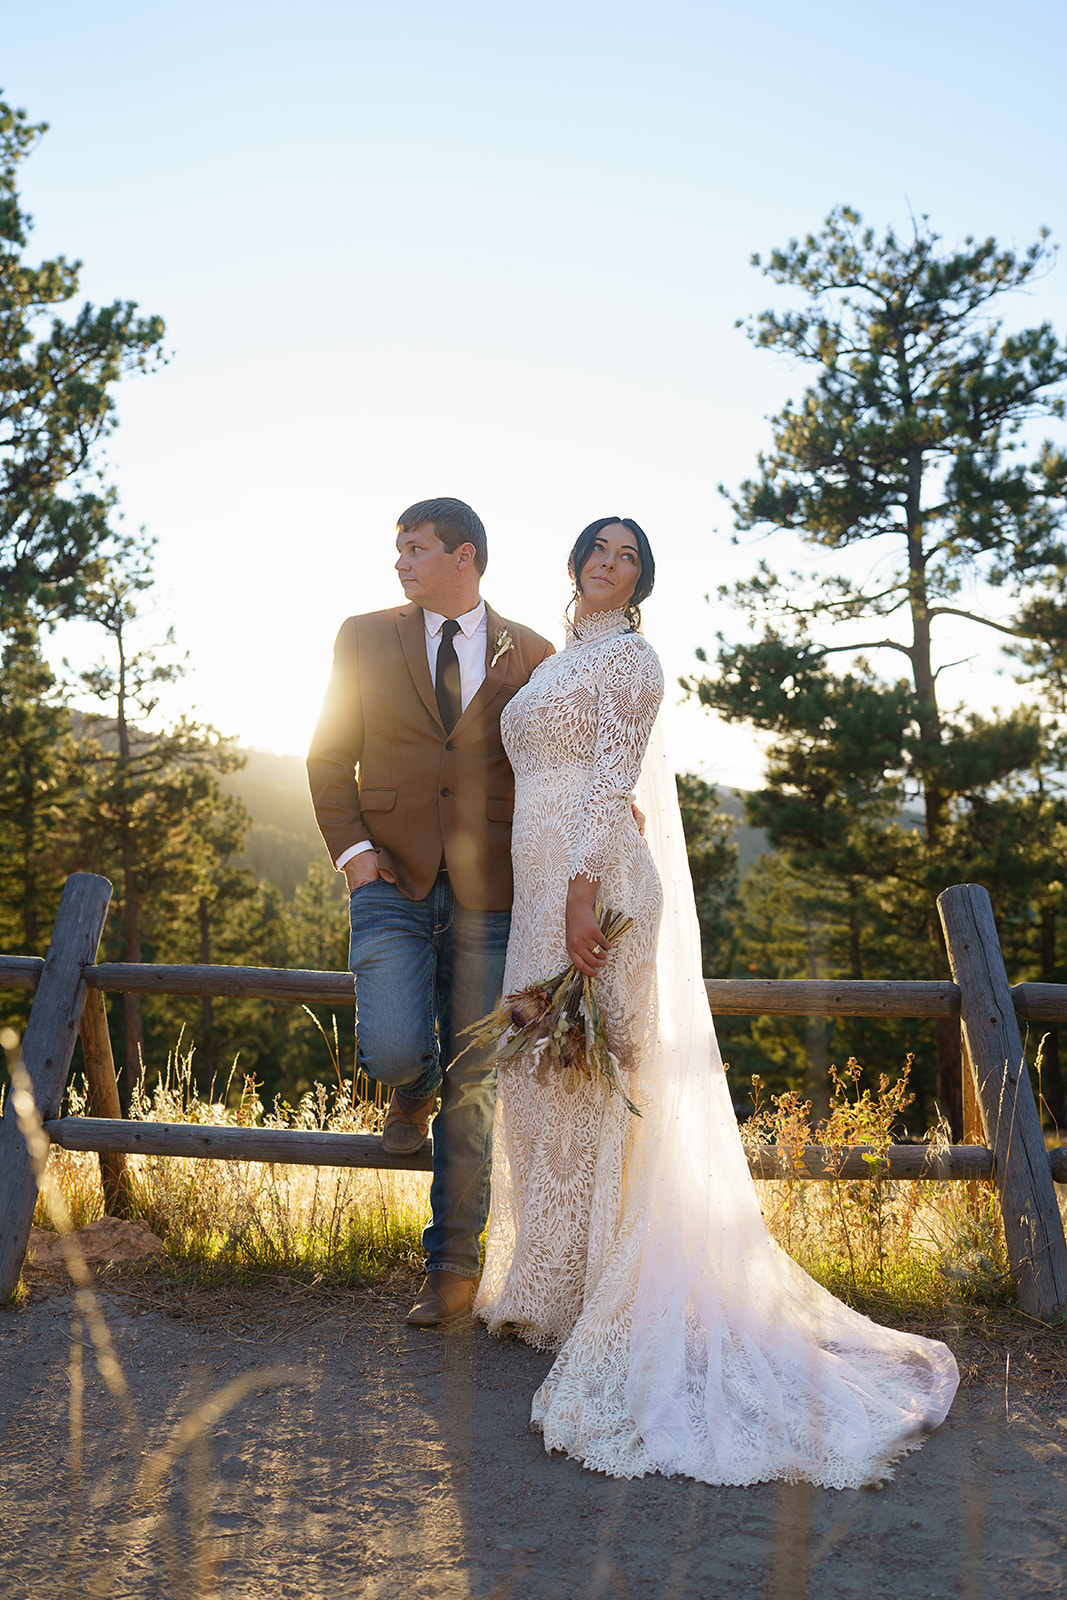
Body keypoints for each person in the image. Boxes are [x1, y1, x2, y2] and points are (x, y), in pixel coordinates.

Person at [475, 516, 959, 1487]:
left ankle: (599, 1301)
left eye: (629, 557)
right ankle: (548, 1289)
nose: (610, 566)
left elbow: (610, 775)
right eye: (598, 551)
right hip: (541, 879)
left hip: (592, 886)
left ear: (640, 580)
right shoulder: (552, 660)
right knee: (542, 1084)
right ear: (574, 563)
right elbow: (580, 770)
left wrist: (581, 889)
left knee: (599, 1084)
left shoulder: (634, 659)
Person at [307, 497, 553, 1329]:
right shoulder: (363, 636)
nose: (401, 563)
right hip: (389, 878)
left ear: (466, 556)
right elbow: (327, 752)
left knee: (475, 1080)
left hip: (493, 892)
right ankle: (407, 1090)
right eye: (398, 550)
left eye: (415, 549)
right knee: (393, 1045)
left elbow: (552, 767)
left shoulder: (535, 652)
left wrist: (607, 804)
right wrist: (352, 854)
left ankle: (450, 1267)